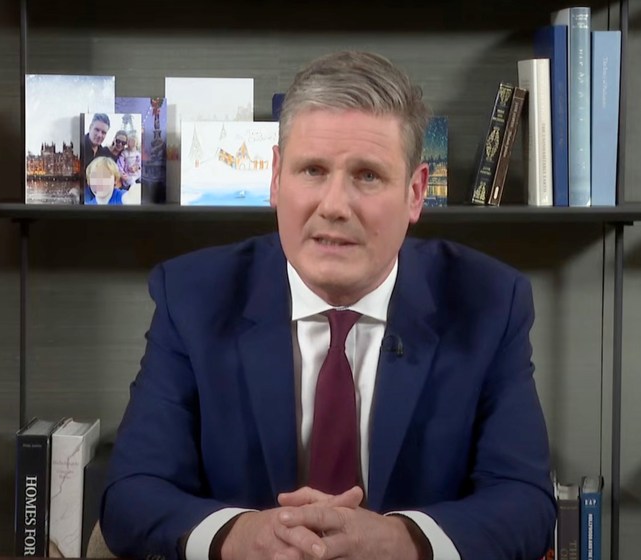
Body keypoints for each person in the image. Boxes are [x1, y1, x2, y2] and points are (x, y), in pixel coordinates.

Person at [101, 51, 555, 560]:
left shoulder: (490, 302)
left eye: (366, 176)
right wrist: (240, 535)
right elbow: (131, 495)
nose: (335, 205)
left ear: (415, 192)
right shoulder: (192, 296)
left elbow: (526, 503)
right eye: (313, 170)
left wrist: (401, 540)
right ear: (276, 179)